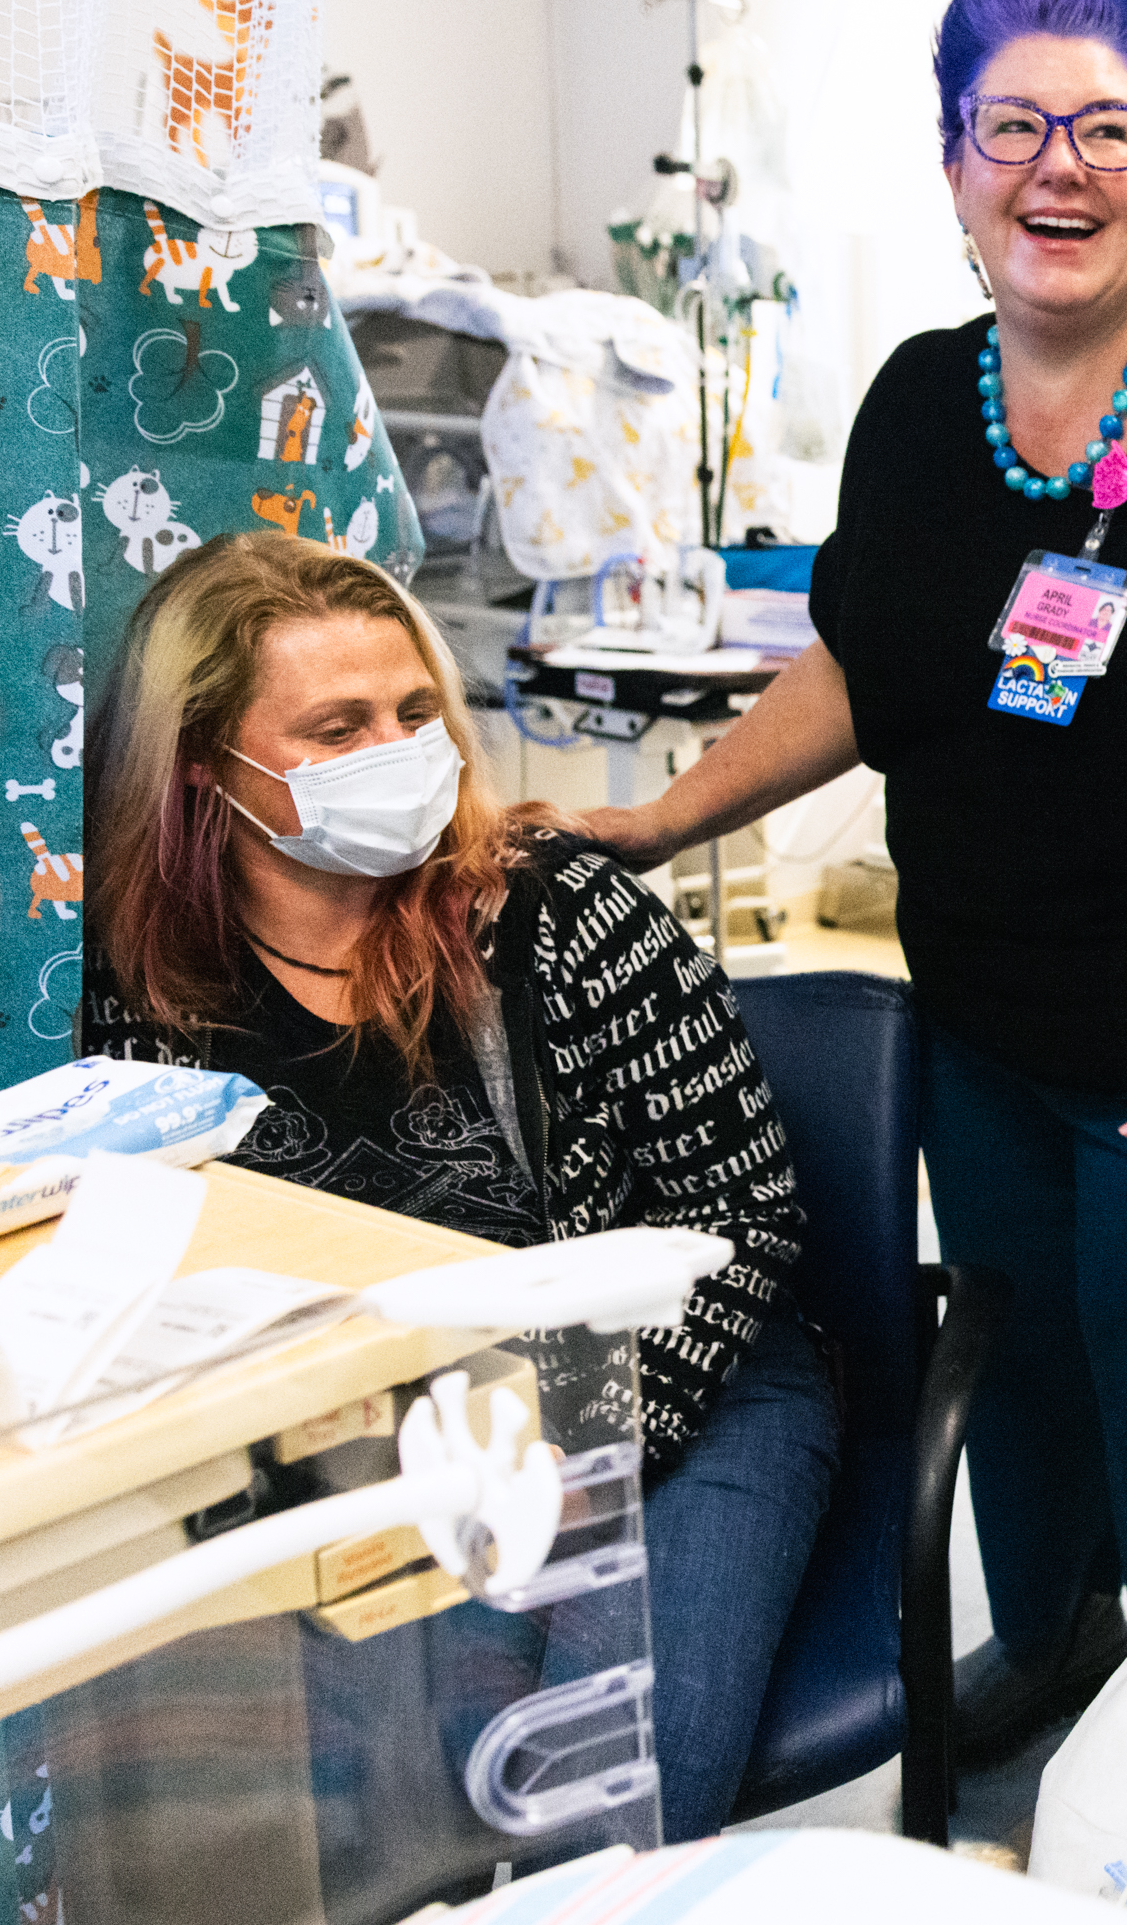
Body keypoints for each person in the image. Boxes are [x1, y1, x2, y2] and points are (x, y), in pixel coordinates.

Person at [578, 0, 1127, 1754]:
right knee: (1019, 1359)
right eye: (1016, 129)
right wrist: (664, 818)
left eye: (1110, 130)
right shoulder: (918, 412)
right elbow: (865, 665)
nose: (1062, 170)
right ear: (958, 169)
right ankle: (1054, 1641)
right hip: (983, 1023)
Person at [82, 532, 832, 1840]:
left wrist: (555, 1449)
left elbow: (739, 1215)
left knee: (606, 1801)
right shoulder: (154, 986)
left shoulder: (561, 914)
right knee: (378, 1800)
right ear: (210, 768)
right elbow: (177, 1252)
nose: (399, 749)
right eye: (339, 727)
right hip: (386, 1425)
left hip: (681, 1380)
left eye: (415, 711)